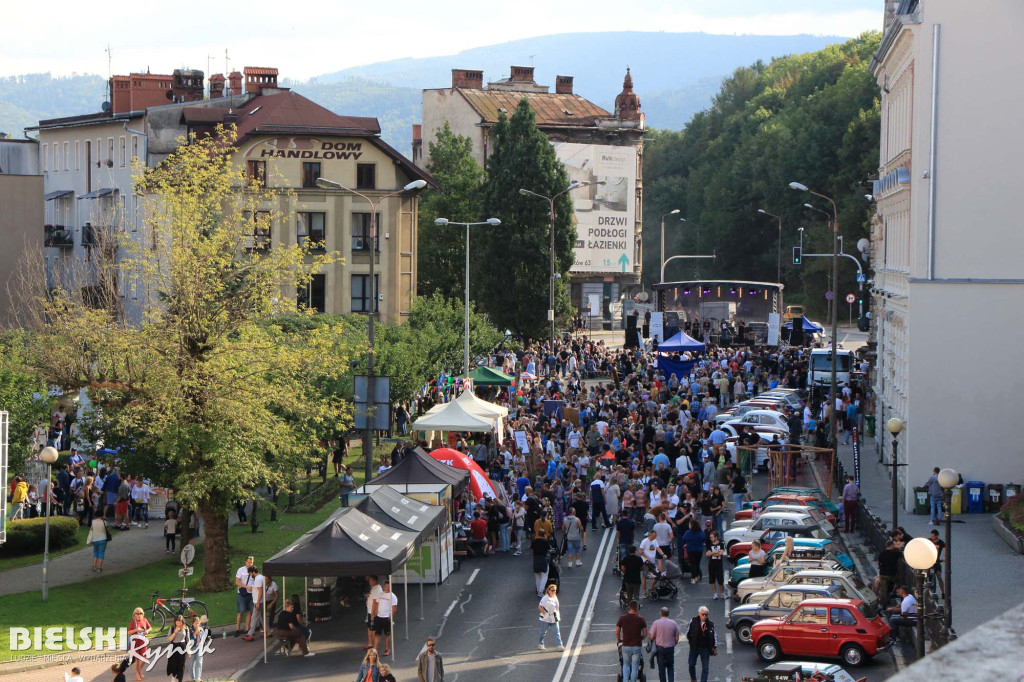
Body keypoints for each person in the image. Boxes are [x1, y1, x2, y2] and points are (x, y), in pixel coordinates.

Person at [615, 600, 647, 682]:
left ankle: (625, 680)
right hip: (636, 646)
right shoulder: (641, 619)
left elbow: (617, 631)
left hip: (626, 645)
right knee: (635, 666)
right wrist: (641, 638)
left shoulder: (622, 618)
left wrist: (619, 639)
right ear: (637, 608)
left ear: (629, 607)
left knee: (625, 664)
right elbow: (645, 632)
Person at [684, 606, 718, 682]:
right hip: (694, 647)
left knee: (705, 668)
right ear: (699, 614)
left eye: (706, 615)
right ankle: (693, 679)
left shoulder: (710, 624)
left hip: (705, 648)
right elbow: (687, 633)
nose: (705, 616)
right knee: (691, 665)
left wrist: (715, 647)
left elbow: (714, 636)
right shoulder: (693, 621)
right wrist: (691, 642)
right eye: (703, 614)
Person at [647, 606, 680, 682]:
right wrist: (673, 644)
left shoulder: (656, 623)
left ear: (660, 613)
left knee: (661, 668)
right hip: (670, 648)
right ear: (668, 614)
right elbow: (677, 637)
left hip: (660, 649)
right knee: (670, 667)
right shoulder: (673, 623)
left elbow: (651, 637)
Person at [372, 579, 398, 656]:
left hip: (386, 618)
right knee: (377, 634)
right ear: (384, 586)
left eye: (389, 586)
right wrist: (374, 614)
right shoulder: (380, 594)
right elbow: (377, 604)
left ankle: (387, 649)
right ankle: (375, 649)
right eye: (386, 586)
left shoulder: (393, 596)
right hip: (379, 617)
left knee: (387, 634)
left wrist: (390, 616)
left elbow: (394, 608)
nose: (387, 588)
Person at [537, 583, 564, 650]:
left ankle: (559, 645)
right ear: (548, 590)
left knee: (557, 632)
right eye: (552, 590)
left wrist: (557, 615)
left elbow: (557, 607)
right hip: (546, 618)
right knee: (543, 632)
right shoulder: (545, 598)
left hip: (554, 617)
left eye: (554, 590)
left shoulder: (555, 598)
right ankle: (540, 644)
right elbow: (540, 607)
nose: (553, 592)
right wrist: (545, 614)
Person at [127, 607, 151, 682]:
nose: (139, 615)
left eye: (141, 613)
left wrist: (147, 631)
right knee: (136, 659)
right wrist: (136, 630)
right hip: (135, 642)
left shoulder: (145, 620)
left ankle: (140, 670)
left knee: (144, 657)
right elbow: (128, 632)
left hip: (143, 642)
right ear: (134, 615)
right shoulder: (133, 622)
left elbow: (150, 627)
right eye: (138, 613)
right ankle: (137, 674)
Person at [243, 565, 265, 641]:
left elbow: (260, 591)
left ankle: (250, 634)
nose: (250, 575)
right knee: (262, 618)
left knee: (253, 618)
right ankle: (268, 632)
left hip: (258, 602)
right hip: (260, 601)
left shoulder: (258, 579)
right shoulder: (261, 577)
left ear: (252, 572)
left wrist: (258, 603)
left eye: (250, 573)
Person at [234, 556, 255, 637]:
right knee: (240, 611)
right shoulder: (241, 570)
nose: (250, 564)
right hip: (242, 593)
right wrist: (246, 587)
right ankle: (237, 629)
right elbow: (237, 582)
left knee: (250, 611)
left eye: (252, 562)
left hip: (251, 594)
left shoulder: (253, 570)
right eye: (249, 562)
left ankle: (247, 629)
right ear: (245, 562)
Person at [166, 615, 188, 682]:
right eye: (177, 622)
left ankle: (180, 679)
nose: (178, 623)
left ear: (182, 622)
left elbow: (188, 640)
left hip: (182, 647)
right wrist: (175, 632)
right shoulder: (172, 628)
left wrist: (189, 650)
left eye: (180, 622)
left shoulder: (186, 629)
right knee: (174, 664)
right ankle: (173, 677)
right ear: (175, 622)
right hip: (174, 647)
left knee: (181, 665)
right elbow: (169, 639)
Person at [705, 531, 726, 600]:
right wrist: (714, 552)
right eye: (710, 537)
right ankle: (715, 593)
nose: (711, 538)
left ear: (716, 537)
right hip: (711, 564)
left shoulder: (721, 544)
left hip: (719, 564)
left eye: (712, 537)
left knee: (720, 579)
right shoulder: (710, 544)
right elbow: (707, 554)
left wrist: (712, 553)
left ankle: (722, 593)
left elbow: (721, 553)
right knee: (712, 579)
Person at [364, 575, 383, 650]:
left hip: (373, 613)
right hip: (370, 612)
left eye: (370, 580)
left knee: (374, 630)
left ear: (375, 581)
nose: (369, 582)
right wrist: (369, 596)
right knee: (370, 628)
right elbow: (373, 598)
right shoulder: (374, 588)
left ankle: (375, 647)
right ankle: (370, 643)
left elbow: (375, 602)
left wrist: (373, 614)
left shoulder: (376, 589)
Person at [188, 615, 209, 682]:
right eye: (195, 623)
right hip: (193, 648)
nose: (197, 624)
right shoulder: (190, 630)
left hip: (199, 647)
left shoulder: (201, 629)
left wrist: (203, 646)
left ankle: (198, 677)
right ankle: (191, 677)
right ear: (192, 623)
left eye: (198, 623)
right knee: (191, 663)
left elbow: (203, 639)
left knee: (199, 663)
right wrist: (195, 633)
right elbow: (190, 640)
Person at [532, 529, 552, 596]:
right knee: (544, 575)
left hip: (536, 559)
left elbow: (531, 550)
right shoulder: (545, 542)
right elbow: (549, 549)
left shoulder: (534, 541)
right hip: (543, 559)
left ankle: (538, 590)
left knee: (537, 575)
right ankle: (541, 591)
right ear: (544, 534)